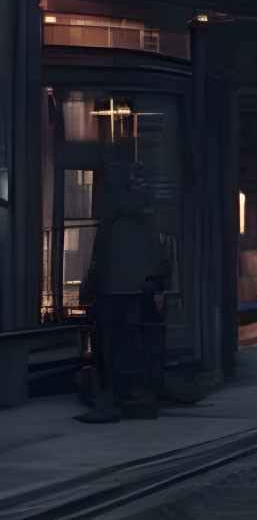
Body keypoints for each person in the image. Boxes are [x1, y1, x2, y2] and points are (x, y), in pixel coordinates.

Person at [75, 165, 169, 424]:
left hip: (113, 287)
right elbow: (154, 251)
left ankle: (116, 392)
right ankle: (132, 390)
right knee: (134, 340)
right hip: (139, 287)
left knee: (114, 342)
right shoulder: (144, 211)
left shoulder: (112, 212)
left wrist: (95, 280)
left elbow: (101, 251)